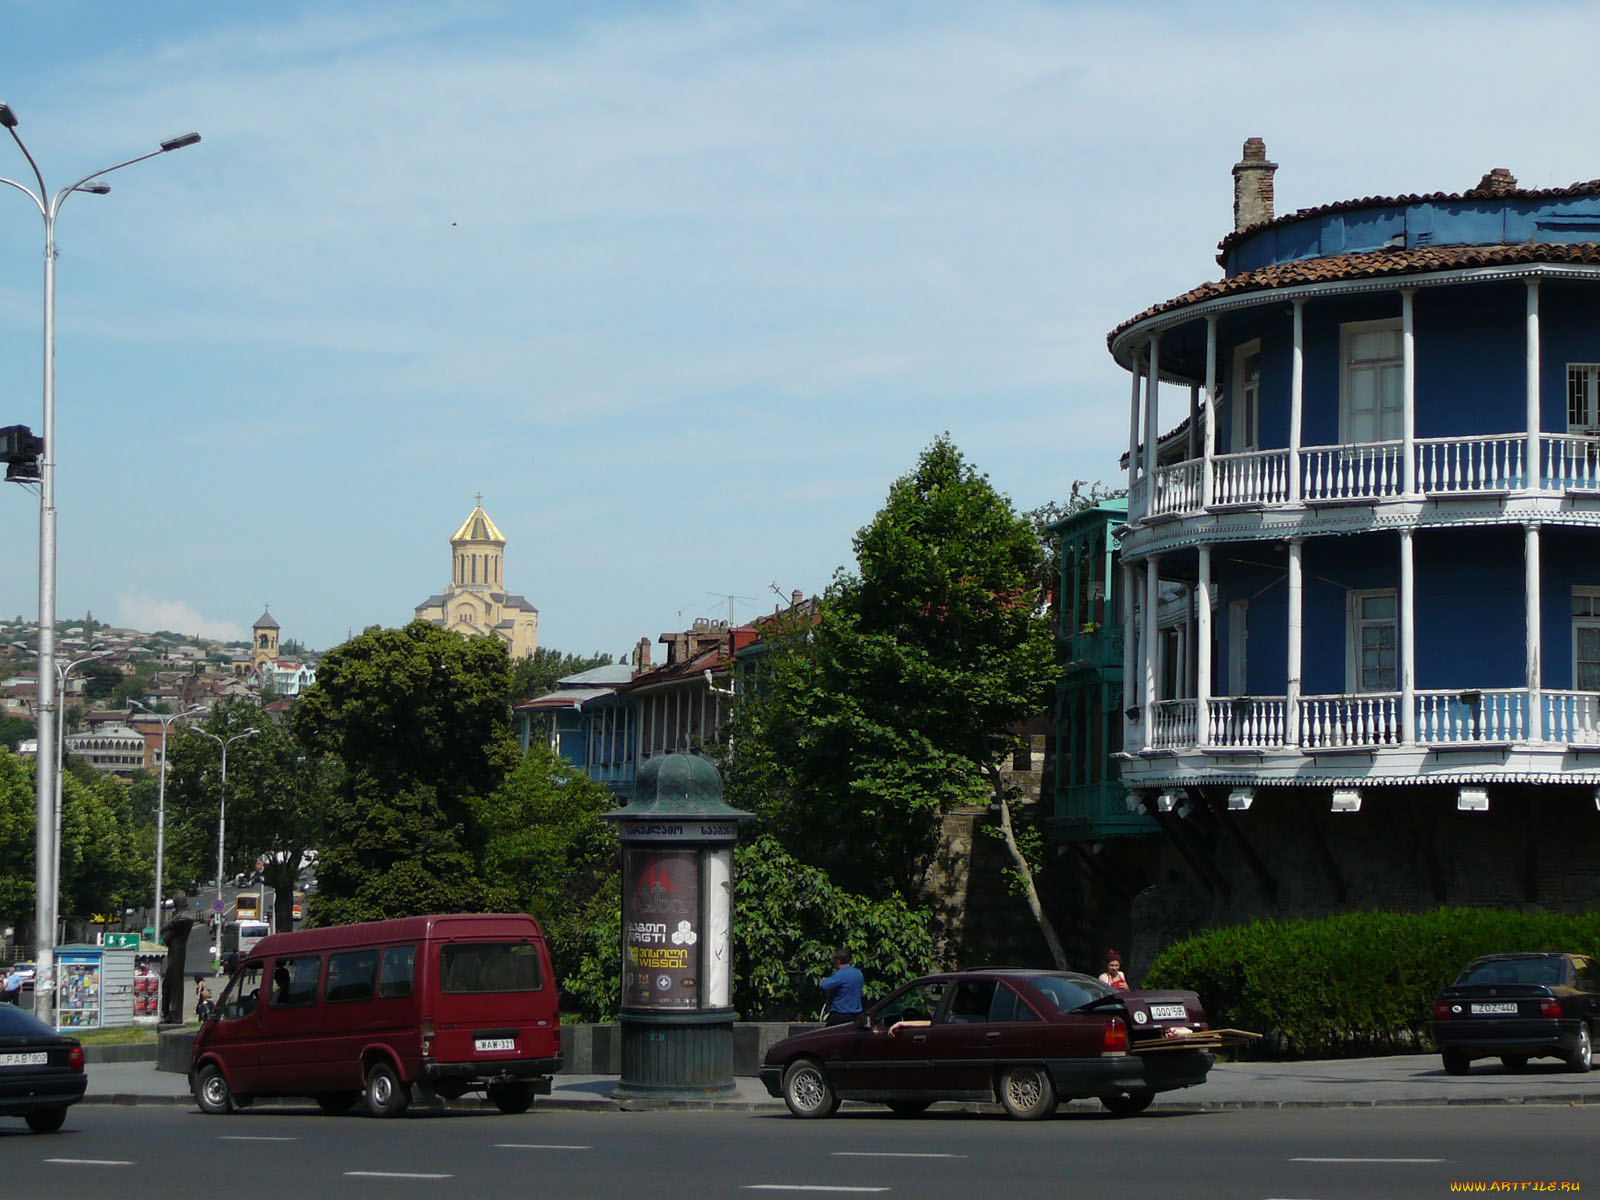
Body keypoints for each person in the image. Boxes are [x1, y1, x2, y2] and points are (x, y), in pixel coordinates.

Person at [819, 949, 863, 1026]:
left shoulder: (840, 974)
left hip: (840, 1016)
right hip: (856, 1016)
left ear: (838, 962)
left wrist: (823, 980)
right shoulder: (858, 973)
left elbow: (824, 985)